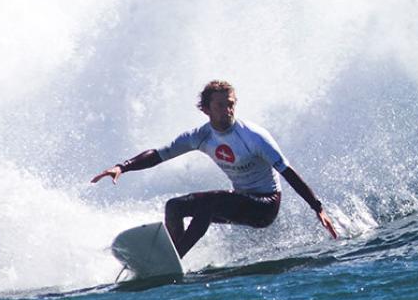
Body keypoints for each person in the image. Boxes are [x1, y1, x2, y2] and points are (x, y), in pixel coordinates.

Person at [90, 80, 339, 258]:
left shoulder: (253, 136)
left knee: (210, 203)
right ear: (206, 109)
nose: (227, 110)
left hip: (265, 205)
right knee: (174, 207)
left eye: (230, 104)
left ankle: (176, 255)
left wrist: (317, 208)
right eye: (220, 105)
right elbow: (159, 154)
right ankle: (170, 258)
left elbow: (288, 172)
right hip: (239, 200)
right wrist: (122, 167)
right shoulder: (201, 136)